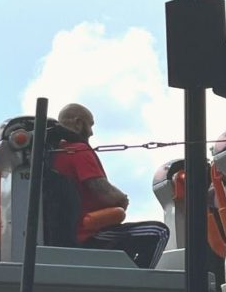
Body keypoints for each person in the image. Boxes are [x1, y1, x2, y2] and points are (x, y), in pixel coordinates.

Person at [52, 103, 169, 269]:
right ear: (78, 123)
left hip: (69, 235)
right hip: (89, 234)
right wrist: (122, 199)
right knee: (158, 232)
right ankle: (140, 283)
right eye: (90, 125)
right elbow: (101, 188)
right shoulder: (79, 150)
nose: (92, 132)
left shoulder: (57, 153)